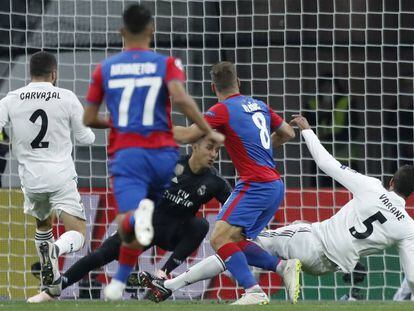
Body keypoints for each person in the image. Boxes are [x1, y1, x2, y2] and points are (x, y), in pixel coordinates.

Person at [147, 115, 414, 302]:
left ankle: (172, 285)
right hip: (329, 267)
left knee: (231, 241)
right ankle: (169, 285)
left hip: (312, 242)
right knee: (246, 244)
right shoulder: (407, 227)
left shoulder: (372, 187)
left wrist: (308, 131)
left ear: (391, 181)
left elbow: (328, 165)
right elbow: (412, 278)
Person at [82, 4, 224, 301]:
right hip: (164, 155)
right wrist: (207, 129)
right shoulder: (167, 64)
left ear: (121, 31)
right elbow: (183, 100)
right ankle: (123, 278)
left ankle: (135, 226)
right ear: (152, 30)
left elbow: (89, 119)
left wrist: (121, 122)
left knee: (128, 222)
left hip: (128, 154)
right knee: (149, 215)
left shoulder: (105, 68)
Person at [27, 136, 231, 302]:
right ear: (194, 145)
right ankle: (51, 292)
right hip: (146, 226)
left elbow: (234, 206)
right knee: (100, 255)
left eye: (217, 151)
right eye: (210, 148)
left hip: (174, 233)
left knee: (201, 224)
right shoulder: (170, 165)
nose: (213, 154)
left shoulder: (215, 182)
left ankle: (162, 274)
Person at [169, 61, 298, 305]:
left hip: (255, 183)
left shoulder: (222, 109)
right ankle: (282, 266)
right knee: (235, 240)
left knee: (219, 239)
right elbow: (288, 133)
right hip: (275, 186)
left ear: (212, 87)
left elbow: (186, 135)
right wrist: (266, 147)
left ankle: (254, 291)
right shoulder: (258, 105)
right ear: (238, 82)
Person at [0, 51, 95, 301]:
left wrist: (8, 139)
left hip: (30, 178)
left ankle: (50, 286)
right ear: (54, 73)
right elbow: (86, 138)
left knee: (43, 224)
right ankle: (57, 250)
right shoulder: (66, 97)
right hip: (60, 175)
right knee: (78, 234)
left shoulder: (11, 99)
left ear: (30, 73)